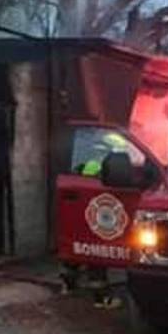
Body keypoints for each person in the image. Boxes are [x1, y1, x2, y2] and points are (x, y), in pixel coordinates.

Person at [64, 131, 129, 310]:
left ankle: (70, 284)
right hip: (99, 218)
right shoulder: (96, 166)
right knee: (96, 254)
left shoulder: (90, 162)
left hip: (87, 216)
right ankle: (100, 298)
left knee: (80, 246)